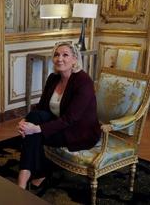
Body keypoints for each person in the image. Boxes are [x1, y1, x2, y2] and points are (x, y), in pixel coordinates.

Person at [17, 41, 101, 190]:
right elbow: (41, 107)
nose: (59, 58)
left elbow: (71, 118)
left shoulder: (83, 81)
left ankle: (25, 178)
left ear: (75, 59)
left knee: (33, 134)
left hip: (78, 131)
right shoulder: (53, 78)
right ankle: (35, 173)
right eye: (56, 54)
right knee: (33, 119)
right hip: (59, 122)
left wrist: (37, 129)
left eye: (65, 55)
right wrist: (26, 121)